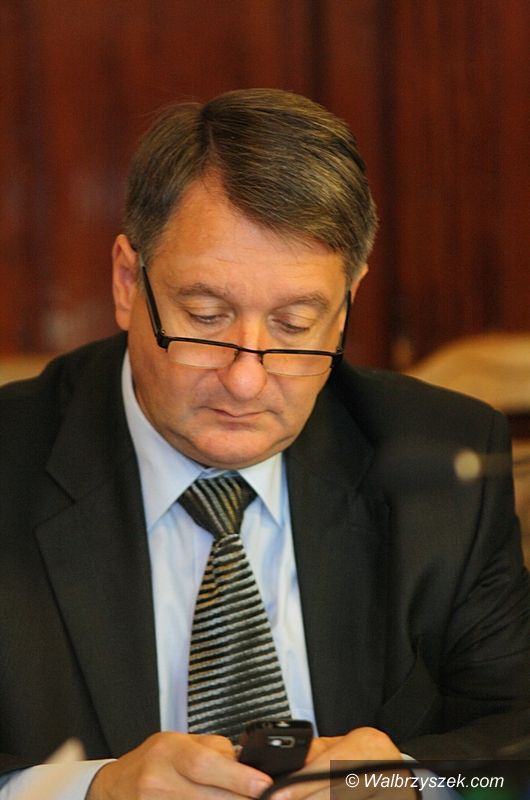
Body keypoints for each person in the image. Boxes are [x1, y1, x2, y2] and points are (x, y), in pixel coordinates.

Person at [0, 88, 528, 800]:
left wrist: (416, 782)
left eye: (294, 325)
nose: (246, 379)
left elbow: (513, 754)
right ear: (128, 282)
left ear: (349, 300)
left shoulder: (443, 465)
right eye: (206, 316)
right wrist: (87, 790)